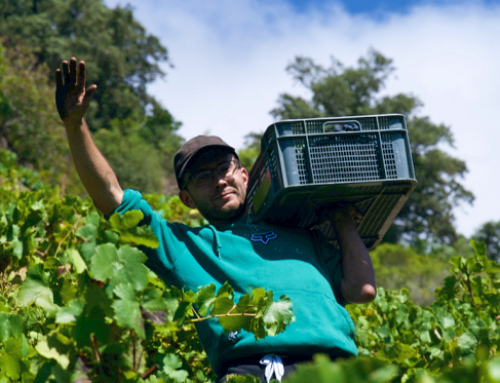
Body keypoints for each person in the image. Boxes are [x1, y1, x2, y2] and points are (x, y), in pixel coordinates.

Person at [55, 57, 376, 383]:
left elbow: (362, 289)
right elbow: (111, 195)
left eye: (224, 169)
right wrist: (74, 124)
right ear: (188, 199)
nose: (219, 180)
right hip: (257, 370)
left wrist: (343, 220)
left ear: (244, 175)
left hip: (339, 370)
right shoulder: (186, 247)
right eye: (203, 177)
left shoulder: (303, 235)